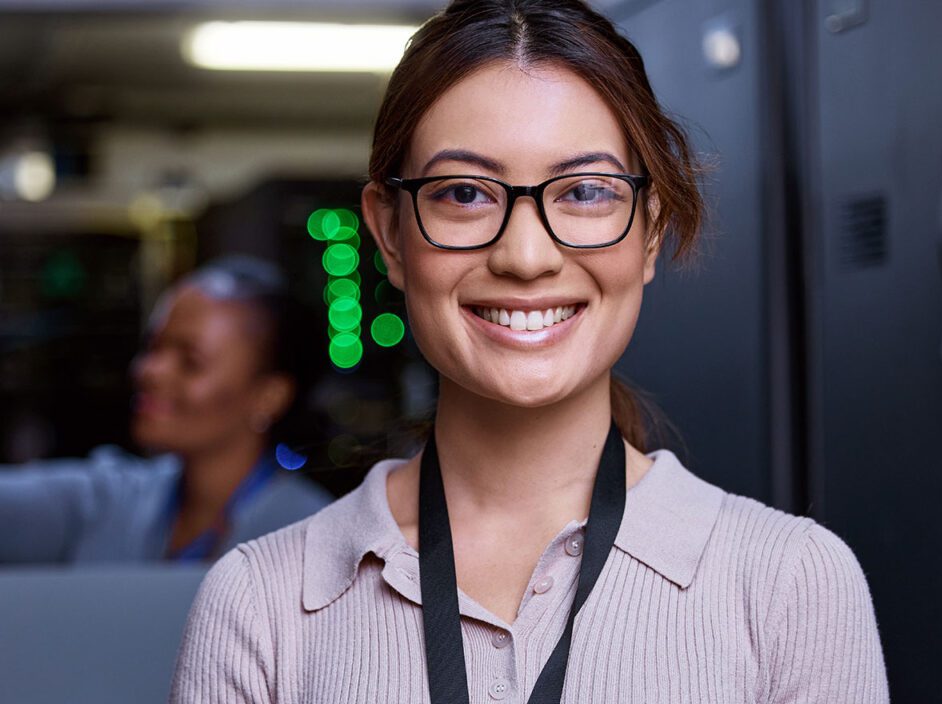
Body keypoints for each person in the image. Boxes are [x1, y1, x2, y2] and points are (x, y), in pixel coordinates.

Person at [170, 1, 889, 701]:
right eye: (464, 193)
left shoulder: (791, 583)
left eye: (583, 191)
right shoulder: (261, 605)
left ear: (648, 232)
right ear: (389, 232)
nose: (525, 254)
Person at [0, 256, 334, 564]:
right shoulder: (110, 500)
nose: (149, 371)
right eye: (153, 347)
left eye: (191, 363)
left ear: (269, 396)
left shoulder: (316, 539)